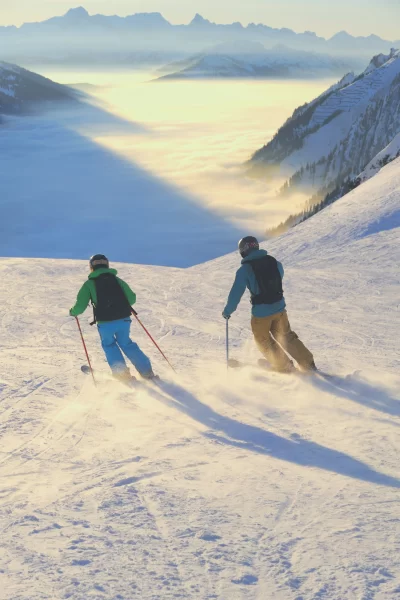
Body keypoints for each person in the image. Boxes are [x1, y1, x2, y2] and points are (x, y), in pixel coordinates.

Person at [222, 237, 316, 373]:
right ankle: (307, 363)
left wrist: (227, 311)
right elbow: (278, 279)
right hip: (279, 309)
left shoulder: (244, 270)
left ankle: (284, 366)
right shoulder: (275, 263)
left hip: (261, 314)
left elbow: (236, 293)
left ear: (243, 251)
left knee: (264, 341)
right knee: (287, 336)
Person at [70, 254, 156, 382]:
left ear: (91, 267)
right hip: (124, 319)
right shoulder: (118, 280)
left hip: (105, 323)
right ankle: (147, 372)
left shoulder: (89, 284)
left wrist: (73, 312)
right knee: (126, 343)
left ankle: (122, 375)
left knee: (109, 345)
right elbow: (132, 298)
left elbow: (80, 306)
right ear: (107, 265)